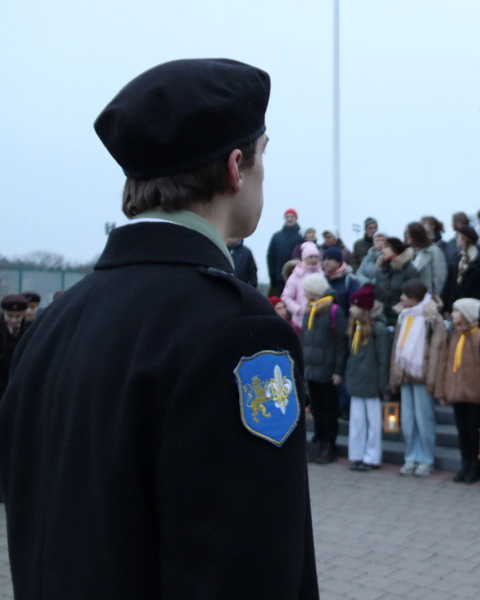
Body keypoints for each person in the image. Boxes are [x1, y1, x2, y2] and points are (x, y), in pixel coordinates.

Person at [0, 59, 318, 597]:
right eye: (264, 154)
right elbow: (253, 566)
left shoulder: (53, 323)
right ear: (236, 167)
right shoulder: (240, 332)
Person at [434, 299, 480, 484]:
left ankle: (475, 466)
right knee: (462, 431)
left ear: (467, 315)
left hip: (474, 396)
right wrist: (441, 391)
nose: (452, 315)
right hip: (456, 393)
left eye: (456, 312)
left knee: (473, 430)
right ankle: (465, 464)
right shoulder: (451, 336)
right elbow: (443, 364)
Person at [390, 279, 446, 477]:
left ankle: (426, 458)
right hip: (405, 374)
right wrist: (394, 376)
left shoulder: (432, 317)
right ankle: (411, 456)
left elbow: (436, 350)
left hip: (422, 375)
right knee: (408, 420)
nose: (401, 298)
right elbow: (397, 346)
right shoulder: (403, 315)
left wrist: (431, 379)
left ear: (415, 297)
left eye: (405, 295)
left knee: (424, 419)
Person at [300, 274, 348, 464]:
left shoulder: (334, 310)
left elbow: (340, 343)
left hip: (327, 370)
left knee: (329, 408)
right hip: (312, 368)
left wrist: (338, 370)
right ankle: (318, 441)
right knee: (317, 409)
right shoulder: (309, 309)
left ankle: (329, 444)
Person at [345, 285, 390, 472]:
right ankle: (356, 454)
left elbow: (383, 358)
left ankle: (371, 457)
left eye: (354, 306)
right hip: (357, 380)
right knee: (356, 421)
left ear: (363, 308)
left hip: (371, 382)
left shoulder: (378, 329)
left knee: (373, 422)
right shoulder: (355, 327)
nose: (350, 309)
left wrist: (383, 384)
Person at [444, 225, 480, 331]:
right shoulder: (456, 258)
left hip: (472, 307)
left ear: (465, 240)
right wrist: (447, 306)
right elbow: (450, 284)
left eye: (458, 237)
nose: (456, 239)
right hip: (456, 306)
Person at [374, 237, 419, 327]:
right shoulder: (381, 270)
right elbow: (377, 294)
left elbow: (414, 294)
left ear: (395, 249)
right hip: (382, 317)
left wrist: (400, 308)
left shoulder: (408, 269)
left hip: (402, 318)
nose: (383, 250)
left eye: (386, 247)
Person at [282, 241, 323, 328]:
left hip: (319, 320)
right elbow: (285, 297)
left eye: (316, 256)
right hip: (300, 322)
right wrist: (299, 310)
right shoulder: (296, 275)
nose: (313, 259)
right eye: (310, 257)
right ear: (304, 258)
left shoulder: (322, 274)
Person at [405, 222, 447, 301]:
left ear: (416, 234)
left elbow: (439, 278)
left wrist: (434, 299)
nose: (406, 236)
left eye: (408, 233)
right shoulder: (412, 253)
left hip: (427, 299)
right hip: (412, 299)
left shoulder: (434, 251)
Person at [267, 208, 302, 295]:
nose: (289, 218)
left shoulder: (301, 236)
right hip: (279, 279)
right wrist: (272, 275)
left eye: (292, 216)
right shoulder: (277, 237)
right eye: (287, 217)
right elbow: (270, 256)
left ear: (296, 218)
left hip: (297, 278)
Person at [0, 295, 28, 398]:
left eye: (18, 316)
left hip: (19, 380)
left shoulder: (29, 330)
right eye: (10, 316)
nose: (13, 320)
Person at [321, 246, 360, 316]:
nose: (326, 262)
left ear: (338, 262)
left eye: (329, 259)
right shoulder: (322, 280)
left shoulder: (350, 280)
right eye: (324, 259)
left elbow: (356, 306)